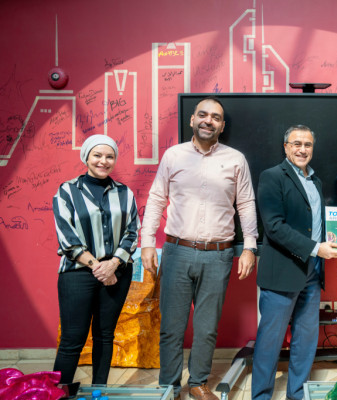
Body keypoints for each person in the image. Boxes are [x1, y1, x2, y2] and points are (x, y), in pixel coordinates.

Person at [140, 97, 258, 400]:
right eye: (203, 115)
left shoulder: (236, 159)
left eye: (215, 117)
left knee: (206, 327)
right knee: (172, 327)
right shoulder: (173, 155)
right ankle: (169, 386)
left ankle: (198, 383)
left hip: (218, 254)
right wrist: (147, 242)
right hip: (177, 251)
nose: (209, 121)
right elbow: (157, 198)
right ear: (192, 120)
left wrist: (249, 247)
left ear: (222, 125)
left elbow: (246, 204)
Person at [252, 125, 337, 400]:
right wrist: (316, 249)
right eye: (297, 144)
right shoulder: (272, 176)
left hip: (312, 273)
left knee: (305, 340)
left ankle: (297, 394)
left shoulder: (316, 181)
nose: (302, 149)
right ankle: (260, 396)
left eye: (308, 144)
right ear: (286, 147)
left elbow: (313, 223)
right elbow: (274, 227)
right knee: (270, 343)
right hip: (282, 272)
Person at [52, 134, 140, 384]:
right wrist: (98, 266)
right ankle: (59, 392)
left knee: (104, 335)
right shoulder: (67, 191)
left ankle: (99, 391)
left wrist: (113, 264)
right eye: (97, 155)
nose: (103, 161)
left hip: (117, 272)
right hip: (77, 273)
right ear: (86, 157)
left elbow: (132, 232)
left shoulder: (124, 193)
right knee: (72, 339)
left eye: (109, 156)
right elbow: (67, 237)